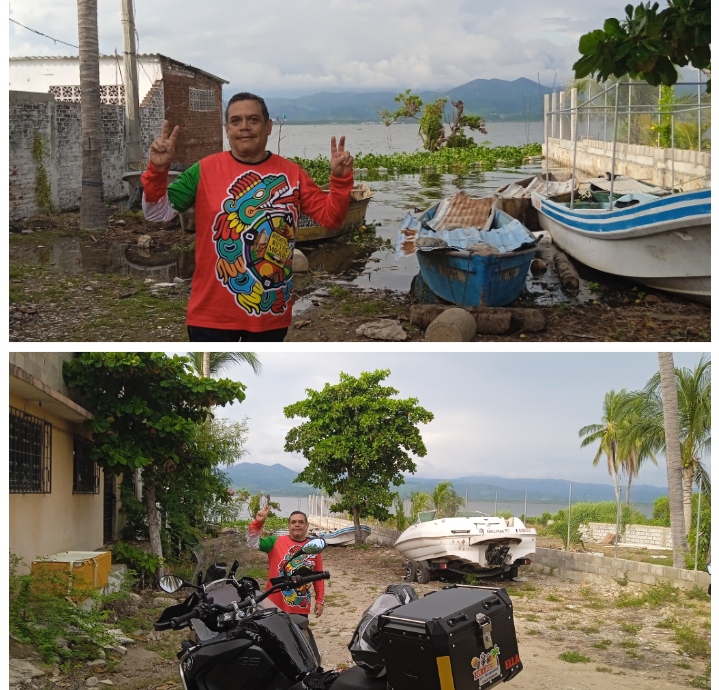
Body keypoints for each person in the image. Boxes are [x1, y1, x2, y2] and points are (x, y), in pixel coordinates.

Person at [140, 92, 354, 342]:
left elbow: (331, 219)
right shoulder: (204, 170)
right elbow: (156, 213)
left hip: (271, 313)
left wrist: (340, 181)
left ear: (268, 127)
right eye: (235, 121)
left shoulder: (292, 174)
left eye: (253, 119)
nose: (244, 127)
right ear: (226, 129)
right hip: (211, 315)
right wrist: (158, 170)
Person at [247, 503, 325, 617]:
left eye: (301, 522)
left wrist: (320, 600)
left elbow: (319, 576)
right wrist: (258, 522)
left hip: (299, 606)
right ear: (288, 526)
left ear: (307, 526)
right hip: (273, 604)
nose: (297, 525)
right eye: (293, 522)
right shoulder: (275, 541)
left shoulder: (313, 546)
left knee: (298, 634)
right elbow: (252, 543)